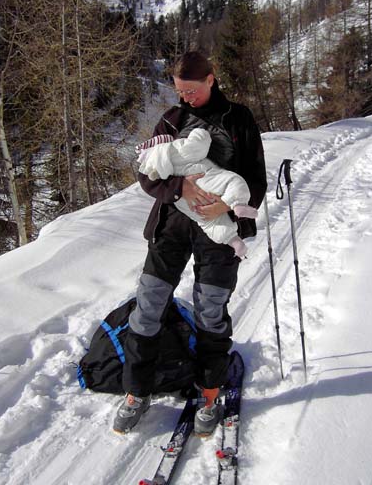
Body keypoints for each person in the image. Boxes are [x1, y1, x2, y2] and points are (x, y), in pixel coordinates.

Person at [113, 51, 267, 436]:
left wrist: (226, 202)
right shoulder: (172, 119)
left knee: (211, 310)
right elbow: (147, 171)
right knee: (148, 305)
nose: (185, 98)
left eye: (191, 91)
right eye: (180, 91)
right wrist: (179, 185)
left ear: (211, 80)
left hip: (218, 226)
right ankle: (136, 392)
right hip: (171, 225)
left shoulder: (239, 119)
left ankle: (210, 393)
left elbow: (256, 178)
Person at [137, 127, 258, 258]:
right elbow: (197, 148)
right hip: (203, 179)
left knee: (209, 223)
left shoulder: (152, 168)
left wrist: (177, 188)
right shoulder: (175, 147)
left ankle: (234, 241)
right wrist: (200, 133)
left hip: (185, 203)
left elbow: (149, 180)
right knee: (233, 181)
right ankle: (238, 204)